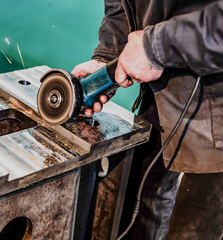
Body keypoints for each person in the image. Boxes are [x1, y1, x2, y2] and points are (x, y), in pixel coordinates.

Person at [72, 1, 223, 239]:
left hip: (217, 96)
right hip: (166, 83)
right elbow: (122, 4)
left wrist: (157, 47)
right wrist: (107, 57)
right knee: (139, 201)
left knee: (194, 227)